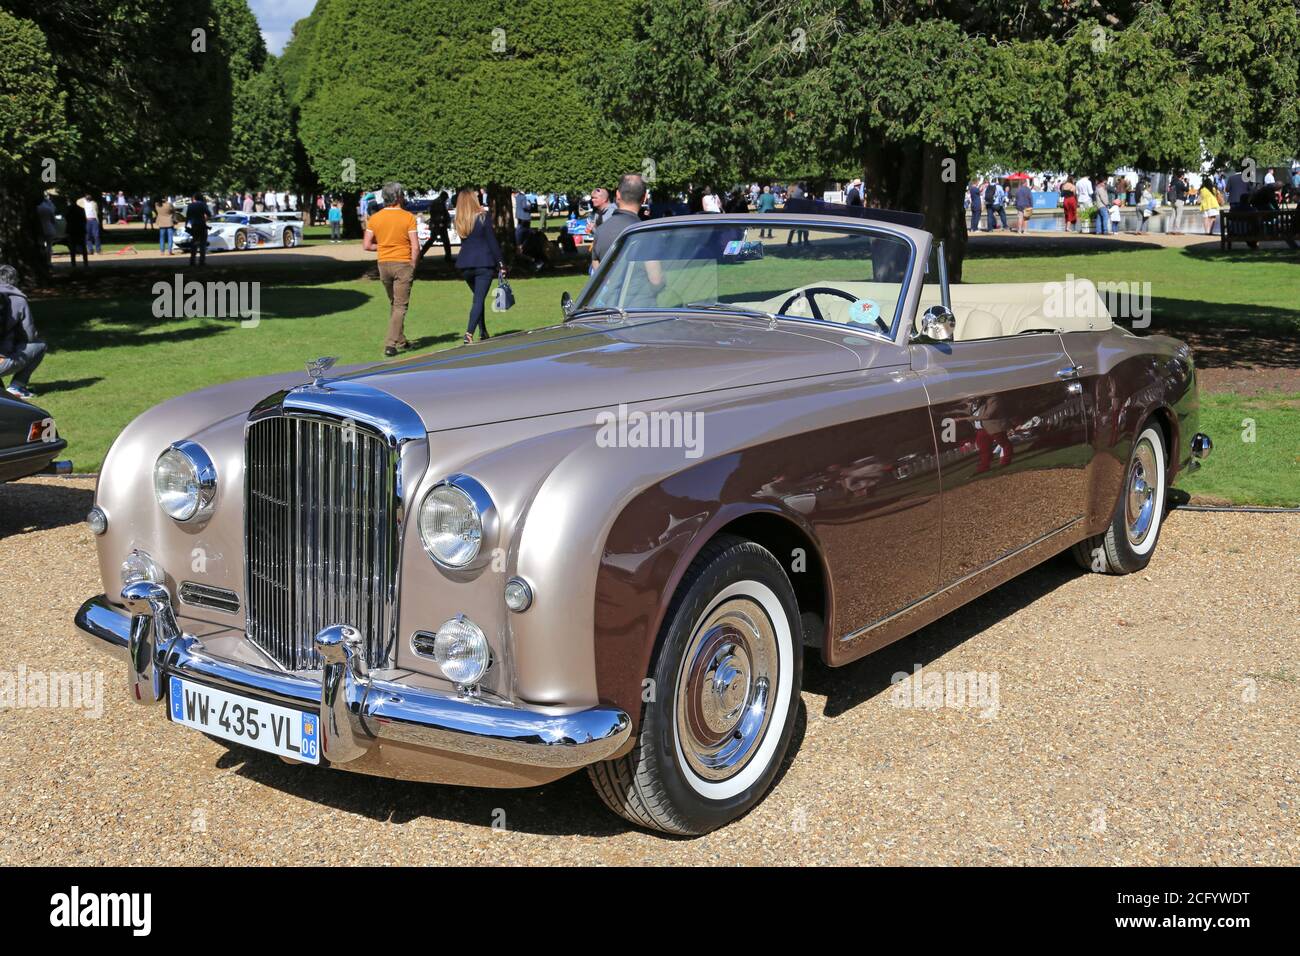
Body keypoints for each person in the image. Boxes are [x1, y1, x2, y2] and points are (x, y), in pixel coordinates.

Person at [363, 182, 420, 357]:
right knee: (400, 306)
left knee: (394, 303)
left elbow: (367, 245)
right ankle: (391, 344)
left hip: (383, 264)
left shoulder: (375, 218)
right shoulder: (408, 217)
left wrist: (384, 247)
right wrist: (413, 264)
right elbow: (415, 247)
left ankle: (401, 340)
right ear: (399, 197)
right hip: (402, 263)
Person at [453, 186, 504, 345]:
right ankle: (469, 333)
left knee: (478, 299)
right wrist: (501, 263)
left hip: (466, 265)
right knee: (478, 300)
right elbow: (492, 242)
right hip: (484, 263)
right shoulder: (483, 217)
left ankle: (483, 331)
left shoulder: (461, 220)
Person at [0, 265, 46, 400]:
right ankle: (17, 387)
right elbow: (30, 335)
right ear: (15, 280)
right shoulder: (18, 300)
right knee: (39, 345)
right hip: (2, 360)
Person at [591, 173, 648, 273]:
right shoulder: (645, 233)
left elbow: (595, 263)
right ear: (644, 197)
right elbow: (656, 280)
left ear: (617, 195)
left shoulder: (600, 231)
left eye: (595, 198)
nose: (592, 200)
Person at [420, 191, 453, 262]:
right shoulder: (438, 203)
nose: (446, 199)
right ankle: (448, 256)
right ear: (443, 197)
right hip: (438, 225)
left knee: (435, 240)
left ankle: (421, 254)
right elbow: (438, 215)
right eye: (446, 198)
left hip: (438, 225)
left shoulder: (437, 202)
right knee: (443, 241)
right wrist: (441, 222)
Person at [183, 192, 211, 266]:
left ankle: (192, 260)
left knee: (194, 243)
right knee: (202, 244)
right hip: (202, 225)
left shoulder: (190, 206)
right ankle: (202, 261)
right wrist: (205, 219)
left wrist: (186, 226)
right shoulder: (203, 204)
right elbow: (209, 214)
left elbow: (188, 217)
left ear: (194, 198)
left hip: (194, 226)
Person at [64, 199, 88, 267]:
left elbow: (66, 218)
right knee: (83, 247)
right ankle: (85, 263)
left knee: (72, 248)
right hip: (80, 230)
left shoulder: (68, 209)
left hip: (72, 230)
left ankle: (73, 263)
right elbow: (84, 220)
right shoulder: (81, 209)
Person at [36, 195, 57, 264]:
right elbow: (53, 220)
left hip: (39, 229)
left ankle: (42, 261)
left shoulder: (36, 208)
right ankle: (48, 261)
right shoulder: (48, 208)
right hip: (49, 229)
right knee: (49, 246)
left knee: (41, 245)